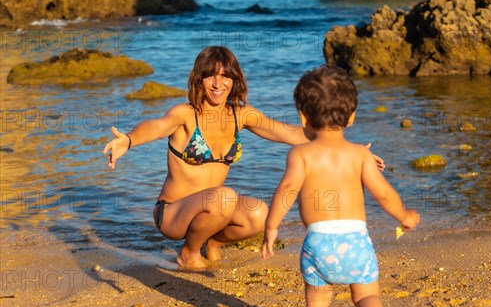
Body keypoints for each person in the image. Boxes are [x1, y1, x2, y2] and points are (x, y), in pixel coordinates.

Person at [103, 46, 383, 271]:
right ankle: (188, 253)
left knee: (259, 214)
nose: (217, 83)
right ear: (199, 78)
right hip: (174, 213)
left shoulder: (242, 115)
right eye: (210, 75)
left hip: (216, 209)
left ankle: (212, 242)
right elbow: (155, 126)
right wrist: (128, 139)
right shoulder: (185, 114)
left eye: (225, 76)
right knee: (224, 197)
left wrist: (351, 149)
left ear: (234, 80)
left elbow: (292, 134)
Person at [261, 65, 420, 307]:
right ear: (352, 116)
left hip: (318, 242)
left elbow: (287, 191)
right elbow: (382, 192)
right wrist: (404, 215)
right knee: (366, 295)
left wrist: (271, 227)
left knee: (318, 300)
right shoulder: (360, 154)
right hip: (356, 240)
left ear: (303, 116)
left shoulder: (300, 154)